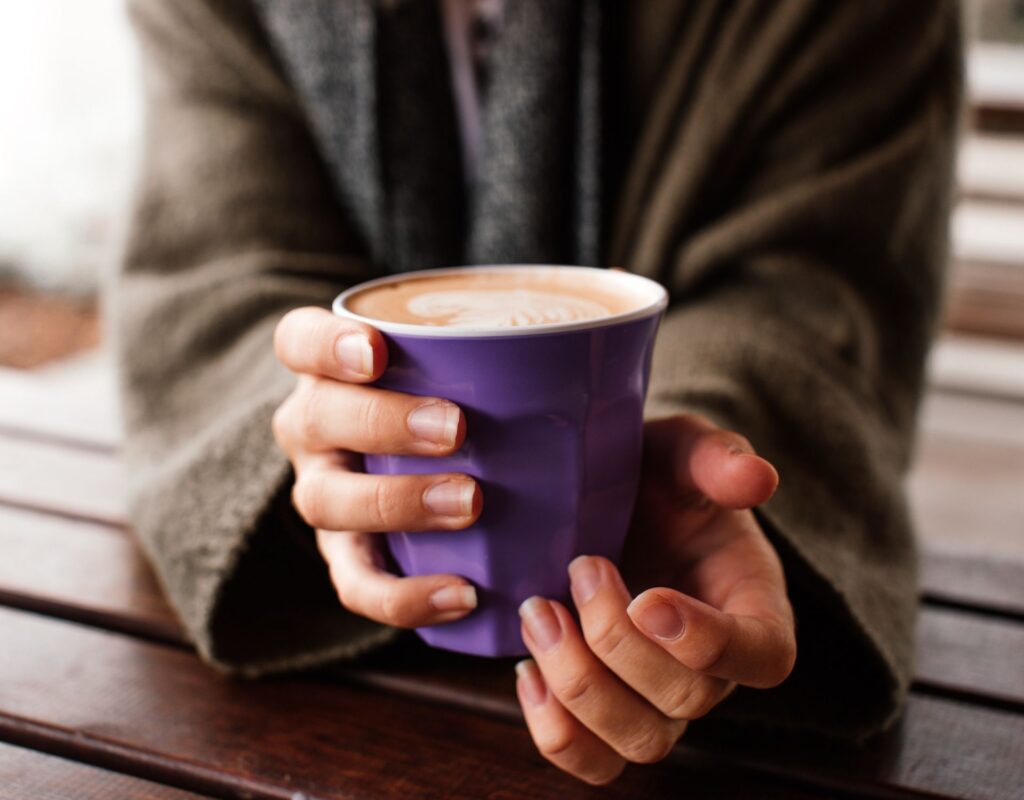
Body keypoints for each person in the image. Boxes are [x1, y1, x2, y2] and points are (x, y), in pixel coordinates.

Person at [115, 0, 961, 786]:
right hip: (333, 678)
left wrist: (685, 452)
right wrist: (318, 428)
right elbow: (214, 270)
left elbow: (818, 285)